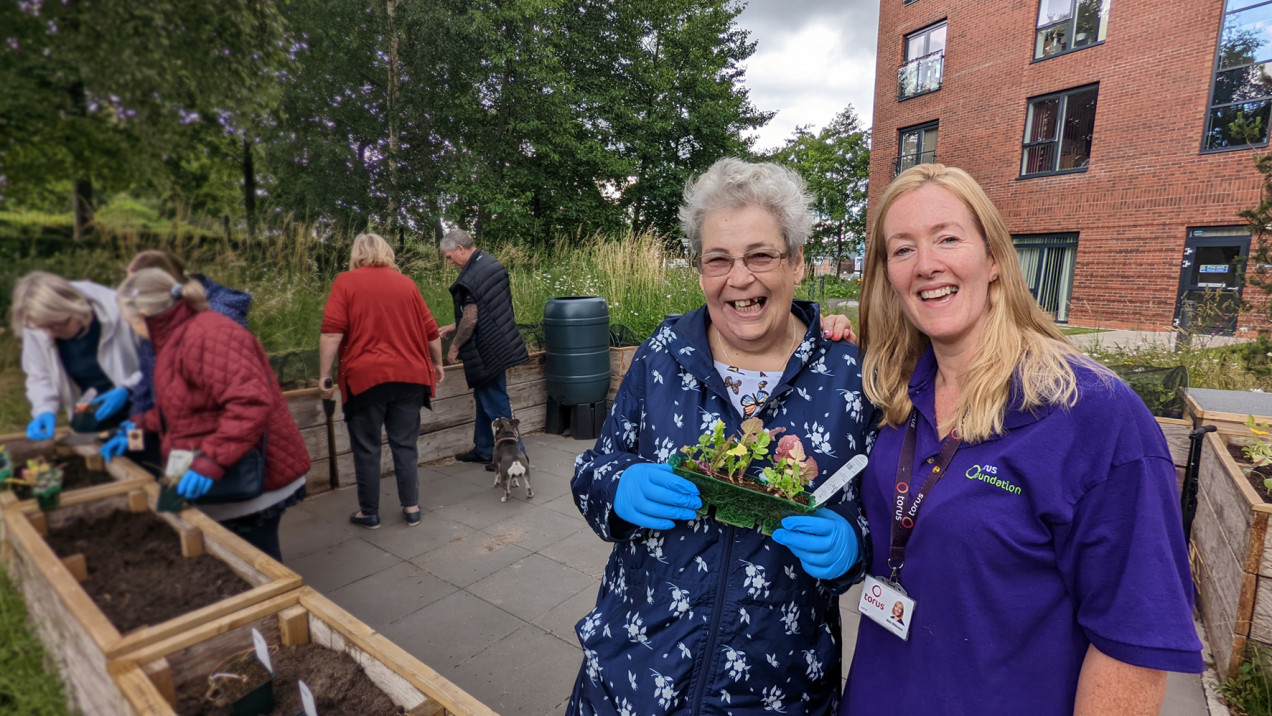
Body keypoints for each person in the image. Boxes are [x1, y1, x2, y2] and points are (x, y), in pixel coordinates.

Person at [842, 164, 1202, 714]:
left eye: (947, 238)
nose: (927, 265)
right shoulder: (897, 397)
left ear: (993, 260)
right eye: (902, 249)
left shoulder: (1093, 415)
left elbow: (1134, 643)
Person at [567, 158, 876, 714]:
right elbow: (593, 471)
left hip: (775, 690)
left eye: (761, 255)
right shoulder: (663, 355)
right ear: (700, 270)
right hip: (635, 673)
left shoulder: (850, 376)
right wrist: (619, 486)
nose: (740, 278)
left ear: (798, 262)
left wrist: (849, 544)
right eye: (719, 260)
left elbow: (873, 515)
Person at [116, 268, 309, 560]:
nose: (131, 329)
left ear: (143, 314)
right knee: (232, 563)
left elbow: (251, 403)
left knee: (257, 565)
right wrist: (137, 425)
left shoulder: (212, 333)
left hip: (248, 475)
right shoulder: (174, 340)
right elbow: (184, 408)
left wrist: (211, 460)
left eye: (129, 321)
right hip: (215, 469)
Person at [318, 233, 445, 529]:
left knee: (367, 448)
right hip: (410, 378)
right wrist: (438, 363)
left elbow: (332, 332)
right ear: (387, 253)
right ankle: (411, 508)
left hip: (365, 381)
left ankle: (369, 513)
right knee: (405, 445)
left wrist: (324, 376)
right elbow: (431, 331)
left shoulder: (346, 282)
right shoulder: (406, 284)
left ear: (356, 254)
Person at [101, 250, 252, 473]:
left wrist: (211, 461)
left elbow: (242, 403)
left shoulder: (215, 322)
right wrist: (135, 429)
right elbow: (150, 383)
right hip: (182, 444)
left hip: (226, 457)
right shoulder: (156, 318)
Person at [438, 229, 528, 470]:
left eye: (449, 257)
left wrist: (455, 346)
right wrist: (453, 325)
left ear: (459, 248)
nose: (450, 262)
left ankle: (516, 456)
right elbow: (485, 308)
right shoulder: (490, 264)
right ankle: (485, 449)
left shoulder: (472, 275)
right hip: (499, 342)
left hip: (486, 348)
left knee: (496, 402)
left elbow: (472, 318)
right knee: (484, 396)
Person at [11, 272, 141, 440]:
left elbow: (155, 364)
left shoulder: (119, 313)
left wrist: (129, 388)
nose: (49, 334)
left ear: (76, 308)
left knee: (139, 453)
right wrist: (44, 409)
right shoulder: (37, 321)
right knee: (83, 438)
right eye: (44, 327)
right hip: (89, 401)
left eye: (58, 325)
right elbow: (40, 375)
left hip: (138, 403)